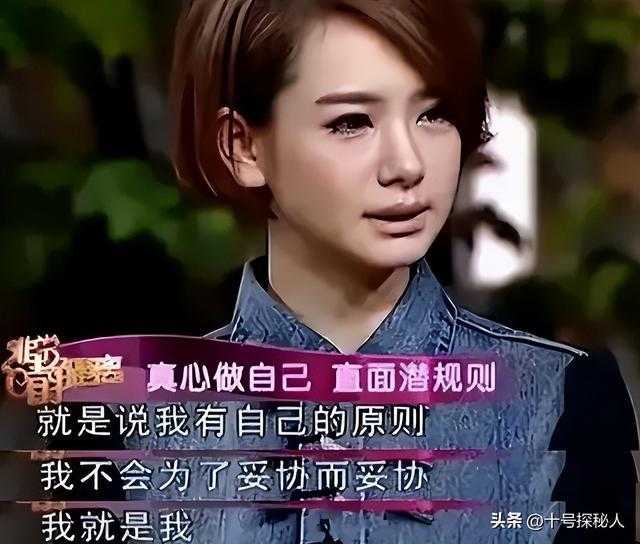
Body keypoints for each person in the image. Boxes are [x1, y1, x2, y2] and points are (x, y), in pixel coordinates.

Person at [170, 1, 638, 542]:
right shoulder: (137, 422)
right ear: (243, 147)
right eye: (351, 122)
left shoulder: (561, 398)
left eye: (434, 114)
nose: (408, 165)